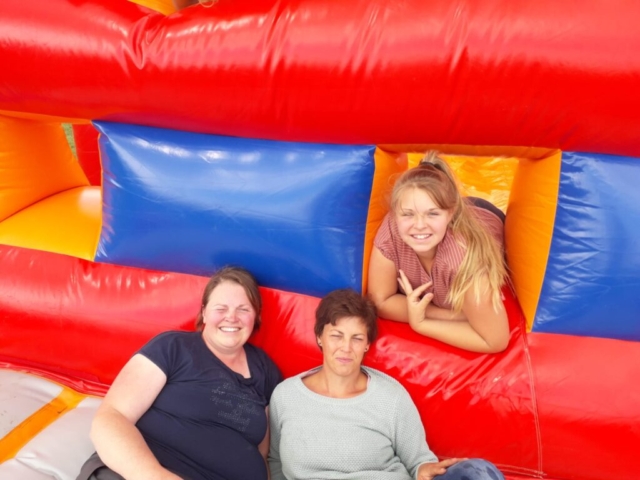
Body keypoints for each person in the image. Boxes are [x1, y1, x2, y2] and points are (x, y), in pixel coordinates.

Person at [268, 289, 505, 480]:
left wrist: (424, 469)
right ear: (320, 337)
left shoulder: (390, 396)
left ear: (367, 344)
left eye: (357, 338)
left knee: (480, 473)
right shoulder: (286, 396)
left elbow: (418, 462)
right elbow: (276, 462)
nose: (346, 348)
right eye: (336, 336)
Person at [77, 266, 282, 480]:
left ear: (255, 316)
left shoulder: (265, 370)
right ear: (204, 312)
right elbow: (111, 417)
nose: (231, 317)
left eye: (243, 309)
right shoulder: (173, 347)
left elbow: (263, 453)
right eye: (221, 308)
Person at [367, 151, 509, 353]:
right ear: (395, 214)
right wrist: (448, 315)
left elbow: (495, 340)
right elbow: (380, 301)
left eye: (432, 214)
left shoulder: (465, 261)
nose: (419, 225)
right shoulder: (391, 230)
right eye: (407, 214)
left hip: (486, 214)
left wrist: (421, 324)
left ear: (451, 214)